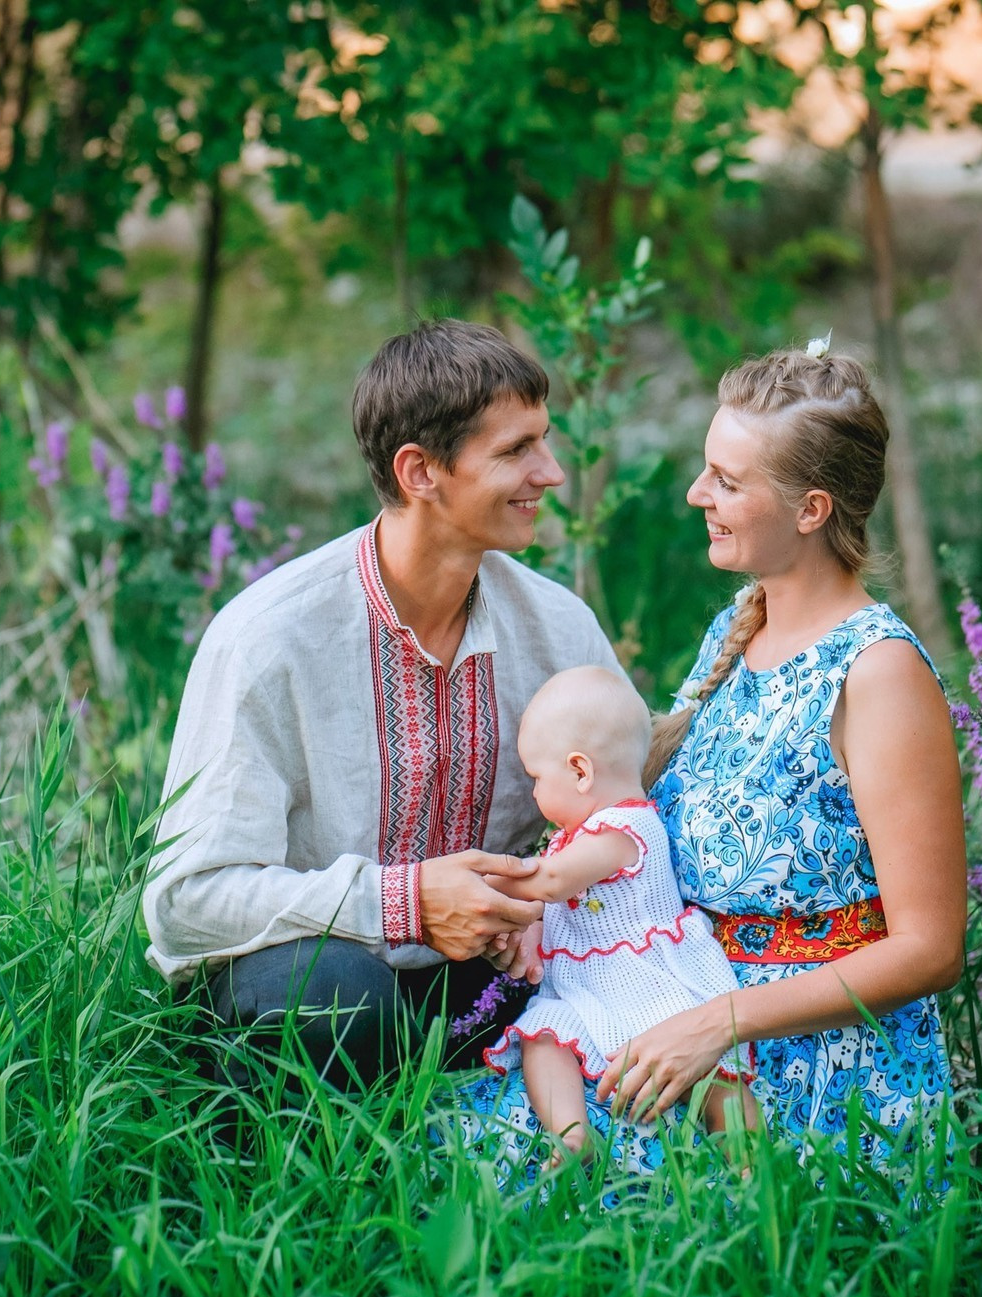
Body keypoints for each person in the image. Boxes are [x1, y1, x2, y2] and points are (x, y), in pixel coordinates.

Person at [461, 345, 965, 1174]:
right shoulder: (741, 626)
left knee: (531, 1187)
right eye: (707, 470)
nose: (699, 494)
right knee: (467, 1141)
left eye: (727, 481)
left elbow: (931, 947)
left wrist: (721, 1020)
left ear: (810, 510)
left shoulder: (877, 674)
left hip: (806, 1066)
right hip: (669, 1007)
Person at [145, 319, 625, 1088]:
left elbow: (624, 809)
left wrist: (548, 908)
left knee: (621, 968)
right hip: (321, 983)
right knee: (339, 999)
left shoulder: (559, 628)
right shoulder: (270, 639)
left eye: (545, 440)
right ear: (420, 472)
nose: (553, 472)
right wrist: (404, 903)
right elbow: (186, 903)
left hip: (486, 980)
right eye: (516, 451)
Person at [480, 666, 753, 1162]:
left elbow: (555, 882)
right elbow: (562, 904)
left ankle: (749, 1157)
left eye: (537, 778)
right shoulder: (579, 835)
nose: (534, 794)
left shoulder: (625, 828)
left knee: (716, 1076)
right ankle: (572, 1133)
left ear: (581, 771)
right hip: (589, 990)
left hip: (650, 981)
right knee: (544, 1033)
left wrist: (480, 882)